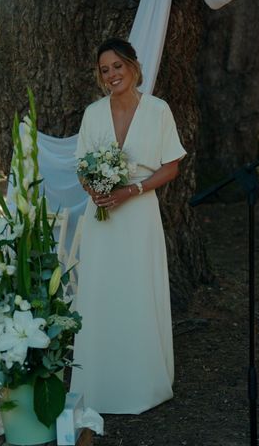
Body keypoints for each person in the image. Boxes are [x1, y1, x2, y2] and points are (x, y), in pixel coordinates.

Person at [70, 38, 186, 414]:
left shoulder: (158, 110)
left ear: (133, 66)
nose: (112, 75)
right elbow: (82, 165)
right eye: (105, 70)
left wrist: (131, 189)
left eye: (117, 66)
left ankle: (142, 384)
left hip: (139, 215)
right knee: (102, 294)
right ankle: (100, 383)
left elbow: (171, 166)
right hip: (102, 218)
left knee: (138, 291)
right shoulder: (93, 113)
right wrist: (95, 190)